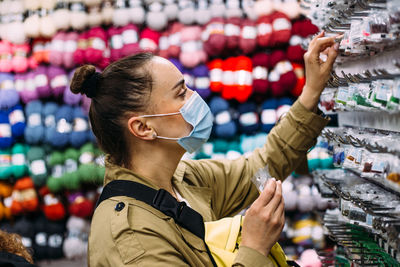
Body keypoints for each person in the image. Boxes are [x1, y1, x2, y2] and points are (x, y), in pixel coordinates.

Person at [70, 31, 339, 266]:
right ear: (143, 128)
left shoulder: (184, 178)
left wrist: (312, 90)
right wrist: (254, 249)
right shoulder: (129, 237)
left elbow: (263, 165)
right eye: (181, 93)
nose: (194, 99)